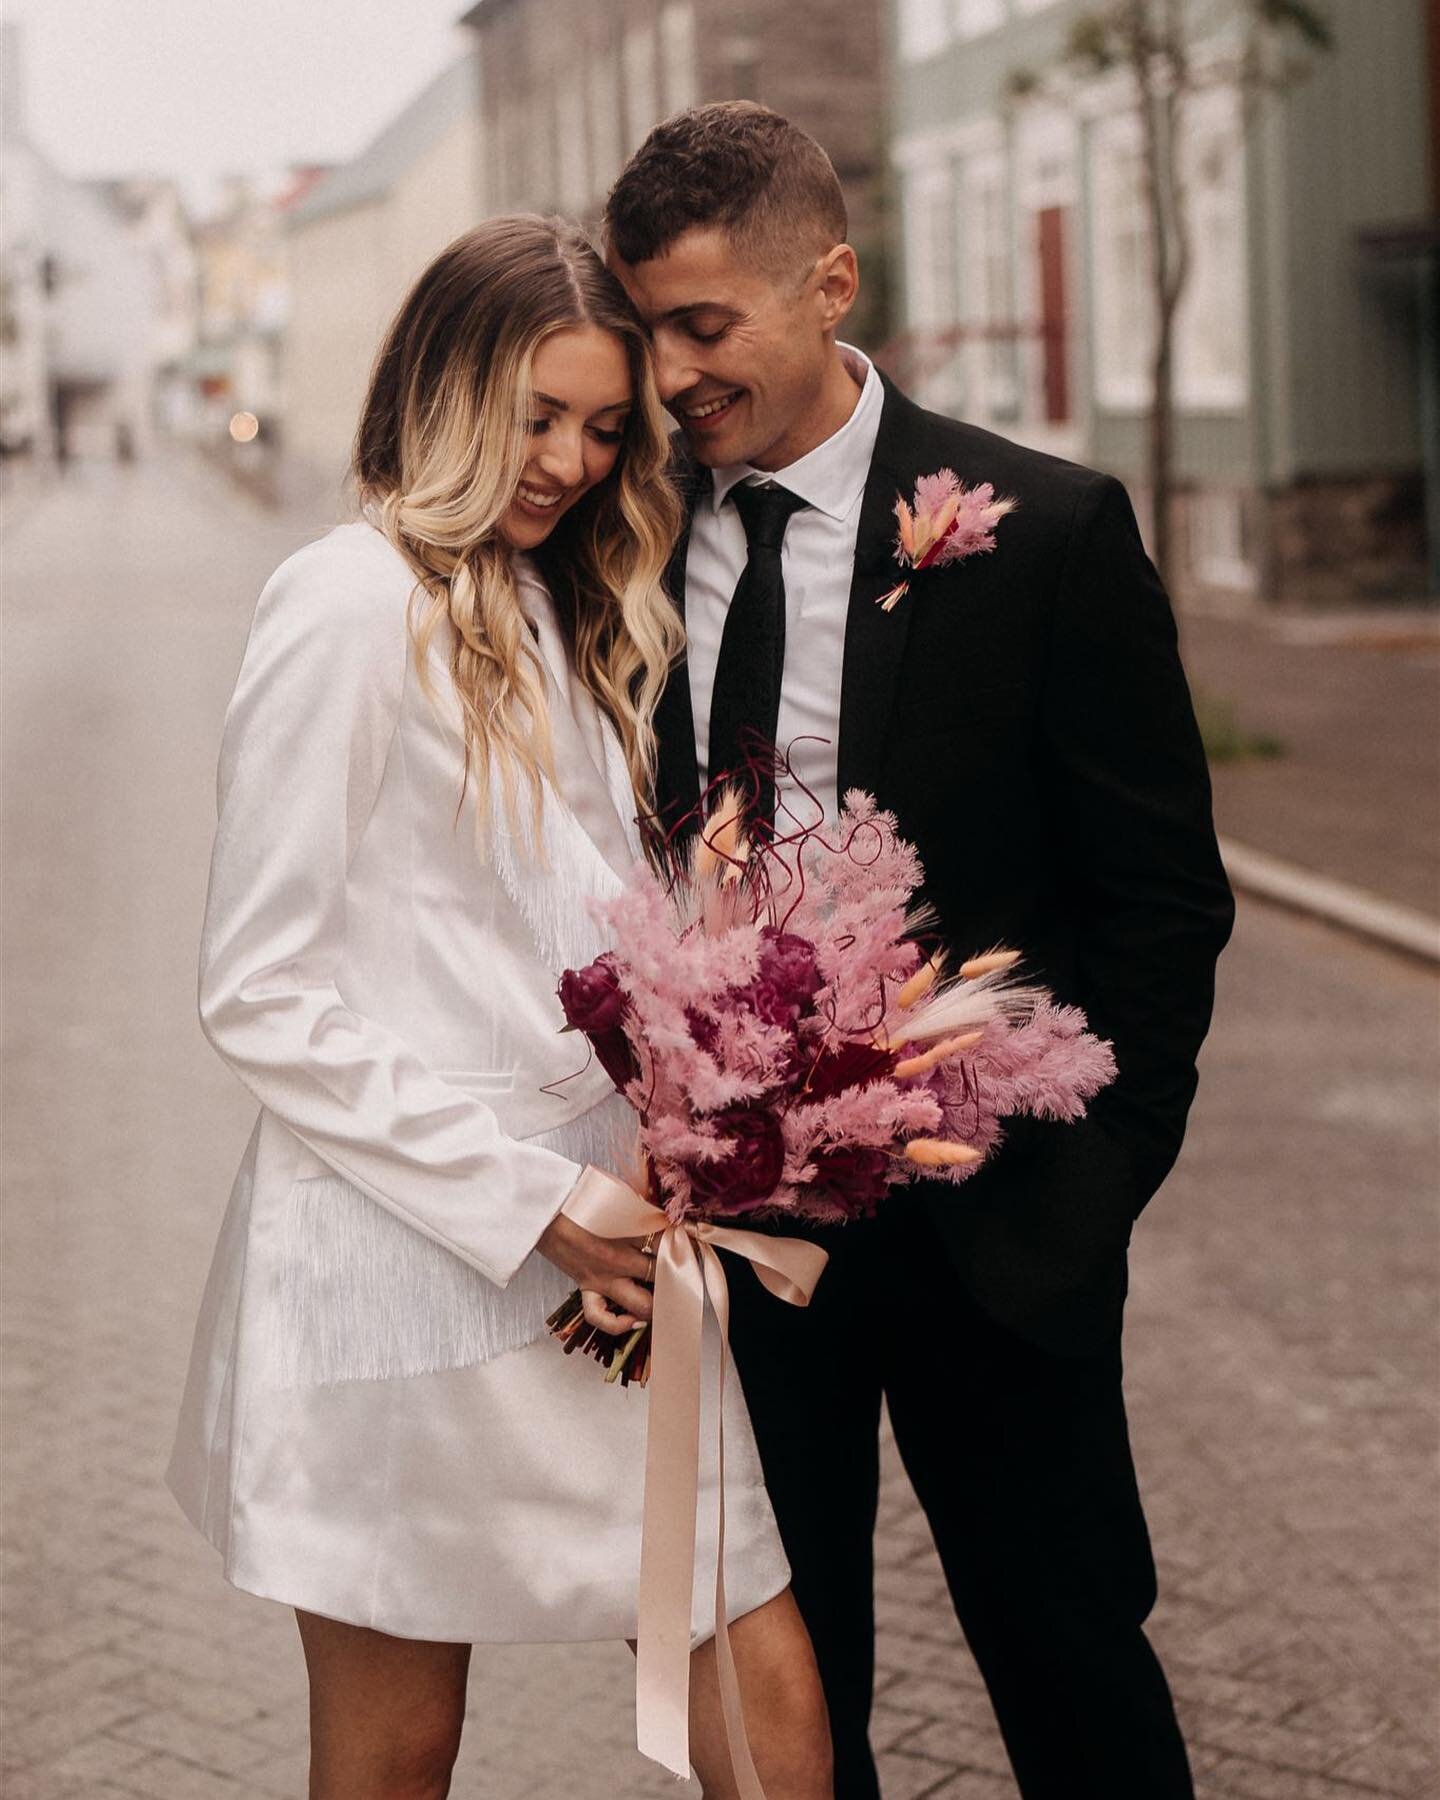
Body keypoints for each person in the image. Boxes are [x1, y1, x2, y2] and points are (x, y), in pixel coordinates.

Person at [605, 104, 1235, 1800]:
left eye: (705, 325)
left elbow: (1162, 897)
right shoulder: (623, 543)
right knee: (784, 1702)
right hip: (739, 1243)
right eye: (647, 327)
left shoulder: (1045, 531)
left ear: (831, 283)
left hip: (995, 1220)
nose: (670, 376)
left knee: (1072, 1657)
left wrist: (1092, 1176)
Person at [166, 215, 832, 1800]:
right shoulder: (342, 602)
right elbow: (256, 990)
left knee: (762, 1683)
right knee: (400, 1745)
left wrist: (682, 1133)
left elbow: (580, 948)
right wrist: (535, 1206)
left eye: (607, 429)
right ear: (443, 384)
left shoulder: (564, 603)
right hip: (415, 1258)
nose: (571, 462)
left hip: (609, 1255)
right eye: (538, 416)